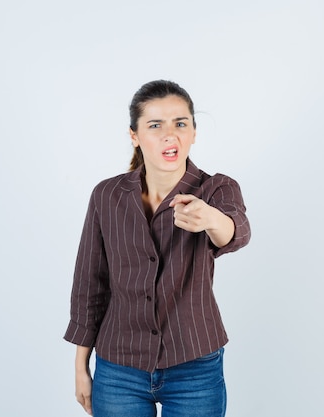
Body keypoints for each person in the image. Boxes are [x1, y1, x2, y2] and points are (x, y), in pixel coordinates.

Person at [64, 80, 251, 417]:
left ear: (194, 132)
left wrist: (210, 218)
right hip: (119, 367)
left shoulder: (216, 189)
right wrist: (81, 365)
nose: (170, 135)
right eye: (155, 125)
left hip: (194, 363)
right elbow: (90, 284)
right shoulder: (107, 196)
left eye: (181, 123)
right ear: (134, 135)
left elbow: (236, 231)